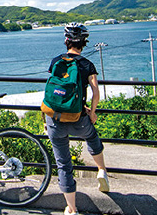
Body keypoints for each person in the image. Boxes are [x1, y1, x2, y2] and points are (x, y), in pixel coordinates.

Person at [45, 22, 109, 215]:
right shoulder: (87, 64)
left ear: (66, 41)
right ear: (84, 43)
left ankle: (71, 208)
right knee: (92, 137)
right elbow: (96, 93)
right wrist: (92, 111)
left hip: (54, 119)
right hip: (78, 118)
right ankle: (101, 170)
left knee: (64, 164)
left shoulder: (56, 61)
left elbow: (53, 91)